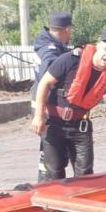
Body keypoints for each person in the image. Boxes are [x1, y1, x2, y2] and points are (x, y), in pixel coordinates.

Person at [31, 29, 106, 180]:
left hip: (80, 127)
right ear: (97, 46)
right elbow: (44, 83)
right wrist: (38, 116)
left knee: (85, 174)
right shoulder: (70, 60)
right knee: (54, 172)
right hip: (54, 124)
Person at [32, 12, 73, 181]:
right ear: (67, 29)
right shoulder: (49, 50)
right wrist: (39, 115)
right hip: (45, 106)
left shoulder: (50, 44)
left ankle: (47, 184)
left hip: (47, 105)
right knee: (51, 152)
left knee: (52, 151)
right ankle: (46, 187)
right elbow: (50, 75)